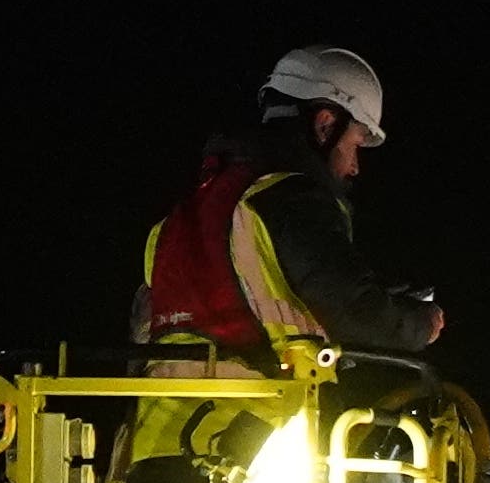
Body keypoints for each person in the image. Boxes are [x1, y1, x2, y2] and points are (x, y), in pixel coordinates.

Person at [138, 45, 444, 359]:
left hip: (163, 404)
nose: (355, 167)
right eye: (355, 146)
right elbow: (352, 309)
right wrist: (420, 323)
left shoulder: (180, 219)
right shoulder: (292, 199)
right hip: (259, 403)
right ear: (326, 125)